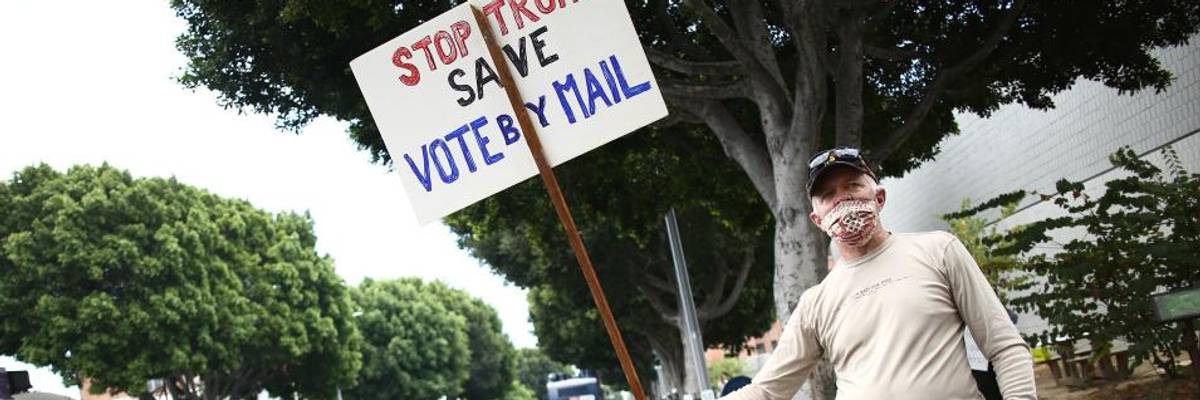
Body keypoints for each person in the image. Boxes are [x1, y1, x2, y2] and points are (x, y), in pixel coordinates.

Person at [722, 147, 1035, 400]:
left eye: (853, 185)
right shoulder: (815, 303)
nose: (842, 198)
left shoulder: (939, 250)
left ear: (879, 197)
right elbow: (767, 391)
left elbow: (1004, 346)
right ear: (817, 220)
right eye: (828, 194)